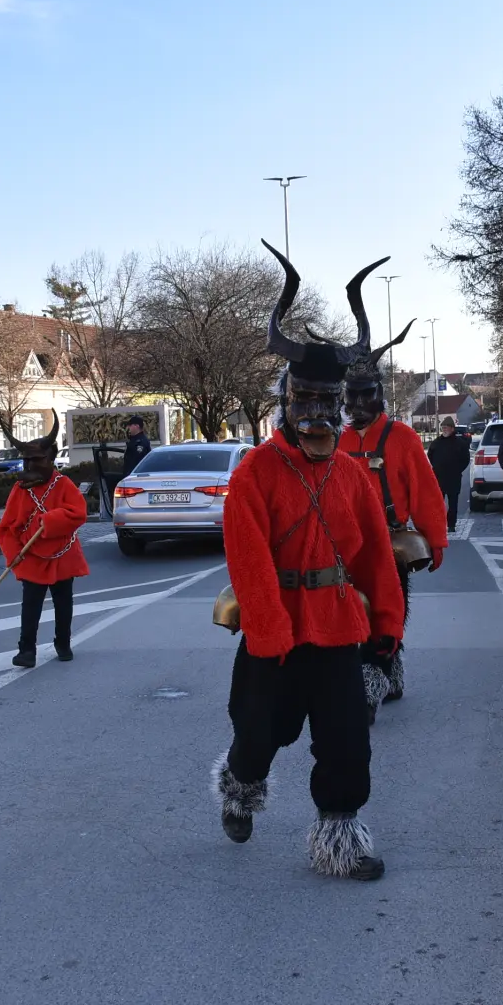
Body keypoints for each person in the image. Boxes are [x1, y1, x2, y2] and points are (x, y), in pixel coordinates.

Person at [212, 243, 406, 880]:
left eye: (329, 401)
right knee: (259, 737)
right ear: (285, 398)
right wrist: (271, 637)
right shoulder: (255, 474)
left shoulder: (351, 474)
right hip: (277, 636)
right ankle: (240, 788)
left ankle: (340, 840)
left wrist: (385, 632)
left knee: (348, 743)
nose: (319, 413)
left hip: (337, 628)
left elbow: (376, 555)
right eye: (306, 399)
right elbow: (247, 560)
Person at [340, 314, 446, 710]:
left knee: (388, 610)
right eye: (351, 398)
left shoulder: (401, 437)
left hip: (390, 540)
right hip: (347, 543)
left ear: (379, 396)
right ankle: (387, 674)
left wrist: (434, 540)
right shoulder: (337, 440)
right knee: (355, 611)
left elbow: (426, 492)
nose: (357, 406)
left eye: (366, 396)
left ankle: (372, 682)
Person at [0, 413, 88, 667]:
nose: (29, 467)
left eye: (36, 460)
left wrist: (51, 521)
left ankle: (63, 643)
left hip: (62, 555)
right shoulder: (19, 490)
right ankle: (27, 650)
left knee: (63, 603)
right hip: (31, 557)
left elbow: (78, 513)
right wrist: (13, 552)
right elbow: (6, 527)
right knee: (30, 605)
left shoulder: (64, 484)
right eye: (26, 461)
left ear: (50, 459)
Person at [426, 417, 472, 533]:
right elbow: (430, 455)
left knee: (453, 503)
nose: (444, 429)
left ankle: (451, 524)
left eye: (446, 427)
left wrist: (457, 470)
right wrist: (437, 467)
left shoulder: (460, 443)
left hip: (454, 477)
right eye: (443, 427)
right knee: (438, 503)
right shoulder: (437, 442)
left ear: (452, 429)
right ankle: (439, 523)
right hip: (439, 477)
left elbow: (466, 459)